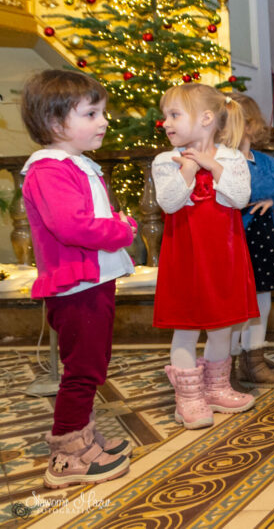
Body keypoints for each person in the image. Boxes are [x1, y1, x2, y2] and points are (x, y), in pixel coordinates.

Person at [20, 70, 134, 488]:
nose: (103, 121)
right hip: (76, 286)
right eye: (91, 114)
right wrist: (122, 230)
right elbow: (72, 226)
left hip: (92, 281)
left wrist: (114, 222)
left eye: (102, 112)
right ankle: (67, 457)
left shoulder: (74, 163)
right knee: (82, 369)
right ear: (55, 123)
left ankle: (83, 437)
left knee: (92, 363)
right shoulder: (49, 170)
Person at [153, 83, 258, 429]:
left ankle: (216, 388)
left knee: (221, 326)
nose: (166, 122)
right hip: (184, 257)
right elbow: (169, 203)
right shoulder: (165, 161)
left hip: (223, 256)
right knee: (185, 326)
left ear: (206, 119)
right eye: (165, 116)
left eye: (174, 114)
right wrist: (187, 169)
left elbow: (239, 198)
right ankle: (188, 398)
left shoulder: (230, 158)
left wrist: (213, 167)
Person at [227, 93, 274, 389]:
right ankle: (226, 365)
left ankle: (253, 361)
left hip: (263, 241)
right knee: (234, 305)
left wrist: (273, 197)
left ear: (249, 125)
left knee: (262, 302)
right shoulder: (223, 161)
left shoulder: (264, 161)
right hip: (235, 241)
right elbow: (244, 192)